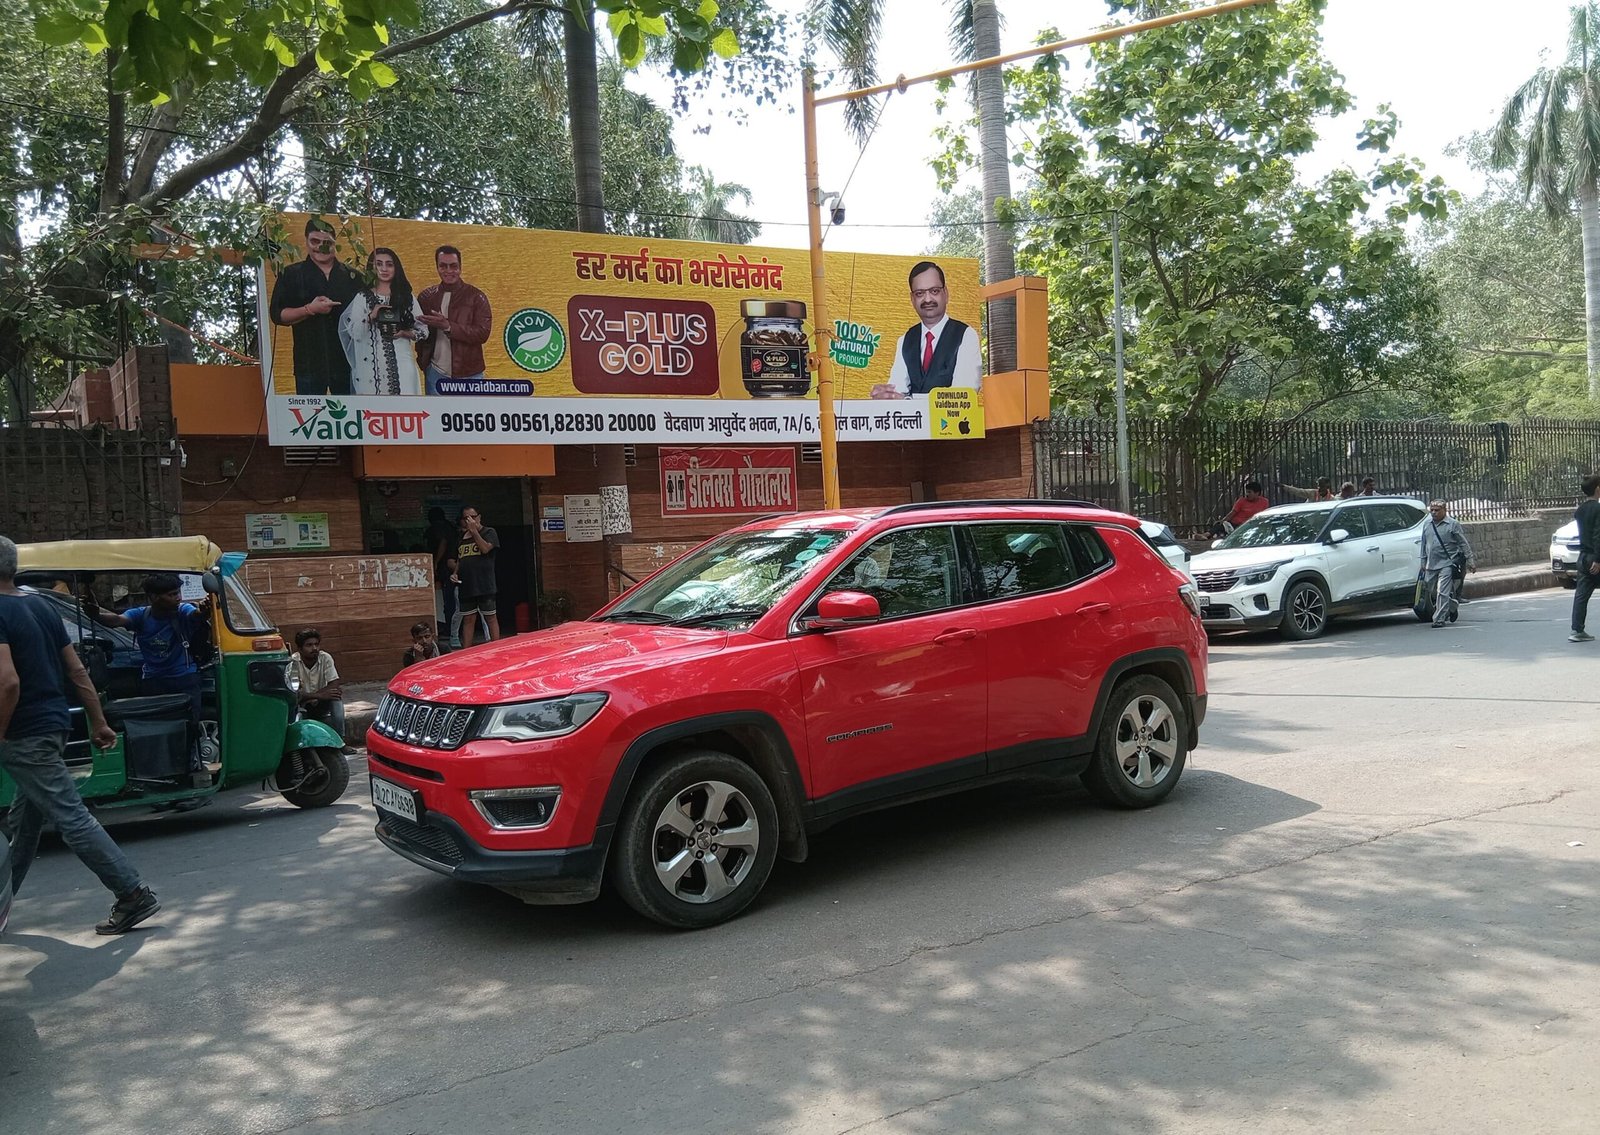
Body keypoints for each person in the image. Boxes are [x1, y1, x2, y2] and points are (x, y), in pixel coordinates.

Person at [0, 535, 159, 935]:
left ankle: (132, 893)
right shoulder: (40, 605)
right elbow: (77, 671)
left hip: (23, 734)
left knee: (72, 817)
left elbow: (7, 684)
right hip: (52, 725)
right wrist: (98, 721)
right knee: (24, 823)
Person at [85, 574, 210, 776]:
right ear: (153, 597)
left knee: (190, 730)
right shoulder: (140, 615)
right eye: (171, 595)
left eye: (177, 593)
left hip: (185, 679)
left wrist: (203, 611)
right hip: (154, 681)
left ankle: (191, 772)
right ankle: (163, 775)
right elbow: (116, 620)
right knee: (158, 732)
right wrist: (96, 614)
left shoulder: (182, 611)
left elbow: (195, 615)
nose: (177, 598)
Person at [268, 217, 364, 395]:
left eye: (327, 242)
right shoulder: (291, 274)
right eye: (315, 241)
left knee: (351, 420)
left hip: (348, 364)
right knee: (311, 420)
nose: (321, 246)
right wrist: (310, 309)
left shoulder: (353, 277)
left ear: (335, 244)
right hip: (309, 365)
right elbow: (277, 315)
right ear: (306, 241)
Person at [871, 261, 982, 399]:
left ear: (946, 293)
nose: (928, 299)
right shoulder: (905, 340)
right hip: (911, 420)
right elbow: (898, 390)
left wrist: (907, 401)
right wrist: (886, 396)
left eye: (934, 291)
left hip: (950, 421)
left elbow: (962, 395)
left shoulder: (966, 335)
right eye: (919, 293)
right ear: (912, 299)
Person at [339, 247, 428, 396]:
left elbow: (424, 330)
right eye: (379, 264)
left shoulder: (406, 297)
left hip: (403, 366)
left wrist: (404, 333)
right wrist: (371, 315)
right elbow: (354, 333)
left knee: (405, 411)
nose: (384, 269)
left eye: (389, 264)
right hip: (370, 369)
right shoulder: (362, 297)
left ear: (396, 267)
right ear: (371, 268)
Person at [417, 245, 493, 396]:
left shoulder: (476, 297)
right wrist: (424, 363)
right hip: (435, 373)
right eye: (443, 266)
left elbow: (483, 333)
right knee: (437, 417)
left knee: (472, 419)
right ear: (437, 267)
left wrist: (448, 327)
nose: (448, 271)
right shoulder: (426, 297)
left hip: (470, 374)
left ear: (460, 267)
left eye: (453, 266)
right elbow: (420, 333)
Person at [1420, 500, 1476, 628]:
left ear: (1444, 510)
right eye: (1432, 510)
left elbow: (1463, 543)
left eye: (1437, 510)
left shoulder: (1453, 524)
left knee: (1442, 592)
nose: (1433, 513)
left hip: (1447, 563)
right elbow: (1423, 543)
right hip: (1431, 564)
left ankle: (1439, 619)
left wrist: (1470, 561)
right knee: (1430, 589)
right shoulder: (1427, 524)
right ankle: (1452, 605)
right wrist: (1423, 561)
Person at [452, 507, 500, 646]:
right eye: (466, 518)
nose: (470, 520)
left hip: (484, 584)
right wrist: (455, 574)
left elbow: (485, 549)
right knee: (468, 619)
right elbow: (460, 559)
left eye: (472, 517)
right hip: (466, 585)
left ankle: (496, 647)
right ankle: (466, 650)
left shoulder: (489, 532)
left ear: (479, 517)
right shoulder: (461, 538)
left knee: (490, 617)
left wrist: (474, 532)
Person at [290, 629, 346, 743]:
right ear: (300, 649)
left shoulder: (325, 657)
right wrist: (319, 695)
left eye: (316, 644)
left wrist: (316, 697)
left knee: (336, 697)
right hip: (302, 704)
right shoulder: (292, 662)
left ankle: (341, 740)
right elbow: (294, 693)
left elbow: (334, 684)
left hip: (319, 703)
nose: (314, 648)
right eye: (309, 645)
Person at [1569, 473, 1600, 642]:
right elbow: (1598, 535)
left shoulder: (1580, 510)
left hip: (1582, 558)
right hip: (1595, 558)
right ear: (1597, 489)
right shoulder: (1598, 509)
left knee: (1581, 595)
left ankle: (1576, 630)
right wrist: (1598, 559)